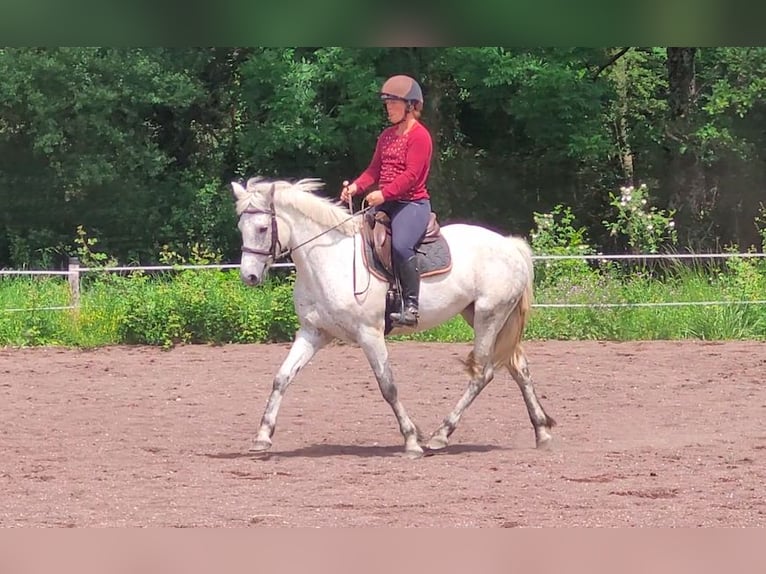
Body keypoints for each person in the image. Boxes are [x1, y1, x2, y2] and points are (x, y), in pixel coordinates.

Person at [340, 74, 433, 328]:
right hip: (388, 202)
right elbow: (374, 170)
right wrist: (357, 186)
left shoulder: (420, 136)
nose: (388, 108)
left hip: (412, 204)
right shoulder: (387, 136)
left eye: (394, 103)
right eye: (387, 103)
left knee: (401, 246)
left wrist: (384, 193)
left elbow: (412, 176)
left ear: (411, 106)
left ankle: (411, 306)